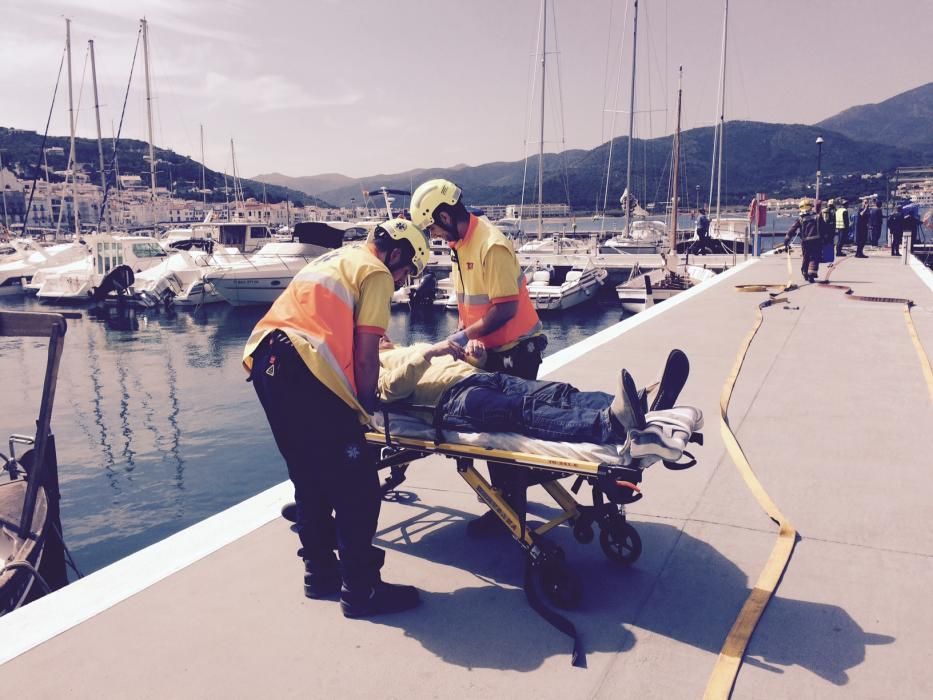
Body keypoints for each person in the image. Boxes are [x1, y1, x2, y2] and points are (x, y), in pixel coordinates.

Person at [243, 218, 431, 618]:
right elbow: (366, 356)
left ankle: (320, 573)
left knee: (308, 477)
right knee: (356, 486)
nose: (400, 283)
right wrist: (365, 411)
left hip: (266, 361)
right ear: (396, 253)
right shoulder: (376, 272)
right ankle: (361, 590)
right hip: (304, 371)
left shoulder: (337, 260)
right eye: (406, 273)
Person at [410, 178, 547, 536]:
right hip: (489, 351)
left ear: (444, 214)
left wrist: (463, 336)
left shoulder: (491, 245)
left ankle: (510, 511)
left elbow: (503, 310)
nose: (435, 235)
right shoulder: (460, 245)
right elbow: (470, 305)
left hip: (518, 350)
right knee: (493, 429)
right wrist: (467, 338)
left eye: (433, 227)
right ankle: (507, 497)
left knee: (505, 431)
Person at [377, 338, 664, 446]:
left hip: (481, 377)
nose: (382, 334)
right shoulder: (373, 366)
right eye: (374, 335)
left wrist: (475, 357)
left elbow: (465, 364)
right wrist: (427, 354)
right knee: (521, 410)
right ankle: (609, 425)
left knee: (558, 392)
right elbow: (390, 391)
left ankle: (639, 404)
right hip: (452, 402)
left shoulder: (409, 346)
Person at [784, 199, 822, 282]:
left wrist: (787, 239)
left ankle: (805, 272)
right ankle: (811, 273)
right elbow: (824, 227)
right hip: (816, 240)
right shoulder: (817, 216)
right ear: (811, 207)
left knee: (806, 257)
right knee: (814, 257)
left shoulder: (800, 219)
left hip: (805, 241)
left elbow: (792, 229)